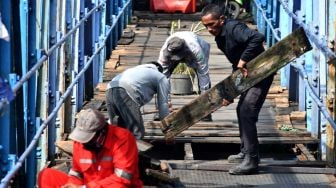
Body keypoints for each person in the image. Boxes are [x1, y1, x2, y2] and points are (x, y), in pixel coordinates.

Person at [201, 4, 274, 175]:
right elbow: (237, 66)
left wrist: (243, 59)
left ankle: (252, 160)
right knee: (241, 109)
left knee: (247, 111)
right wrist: (231, 91)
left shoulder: (234, 28)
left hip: (261, 72)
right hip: (249, 75)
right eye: (206, 26)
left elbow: (258, 37)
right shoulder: (220, 37)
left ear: (222, 19)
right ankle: (245, 151)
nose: (209, 29)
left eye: (211, 24)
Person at [38, 108, 143, 187]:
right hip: (88, 185)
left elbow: (122, 180)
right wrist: (72, 184)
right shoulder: (80, 142)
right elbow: (76, 173)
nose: (84, 143)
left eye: (88, 138)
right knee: (46, 175)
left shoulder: (122, 139)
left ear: (102, 132)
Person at [106, 62, 171, 139]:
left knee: (118, 131)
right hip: (125, 91)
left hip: (109, 90)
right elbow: (163, 104)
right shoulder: (161, 77)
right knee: (137, 133)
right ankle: (134, 150)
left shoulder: (135, 70)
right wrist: (167, 130)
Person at [157, 31, 212, 121]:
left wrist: (204, 100)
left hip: (197, 51)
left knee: (202, 77)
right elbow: (163, 77)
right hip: (184, 50)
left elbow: (203, 74)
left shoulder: (195, 49)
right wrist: (166, 104)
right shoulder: (164, 53)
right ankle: (163, 111)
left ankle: (206, 111)